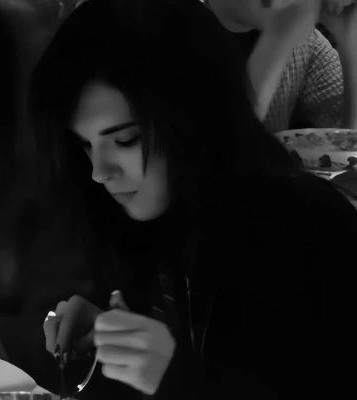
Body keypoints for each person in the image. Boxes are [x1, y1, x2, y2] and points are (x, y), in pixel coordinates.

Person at [28, 0, 357, 398]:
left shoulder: (307, 232)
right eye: (85, 144)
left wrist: (176, 378)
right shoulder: (146, 225)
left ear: (195, 119)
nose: (99, 171)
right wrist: (111, 347)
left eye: (125, 140)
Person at [205, 0, 357, 132]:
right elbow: (222, 151)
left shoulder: (304, 41)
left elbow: (346, 142)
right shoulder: (192, 33)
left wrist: (350, 42)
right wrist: (277, 41)